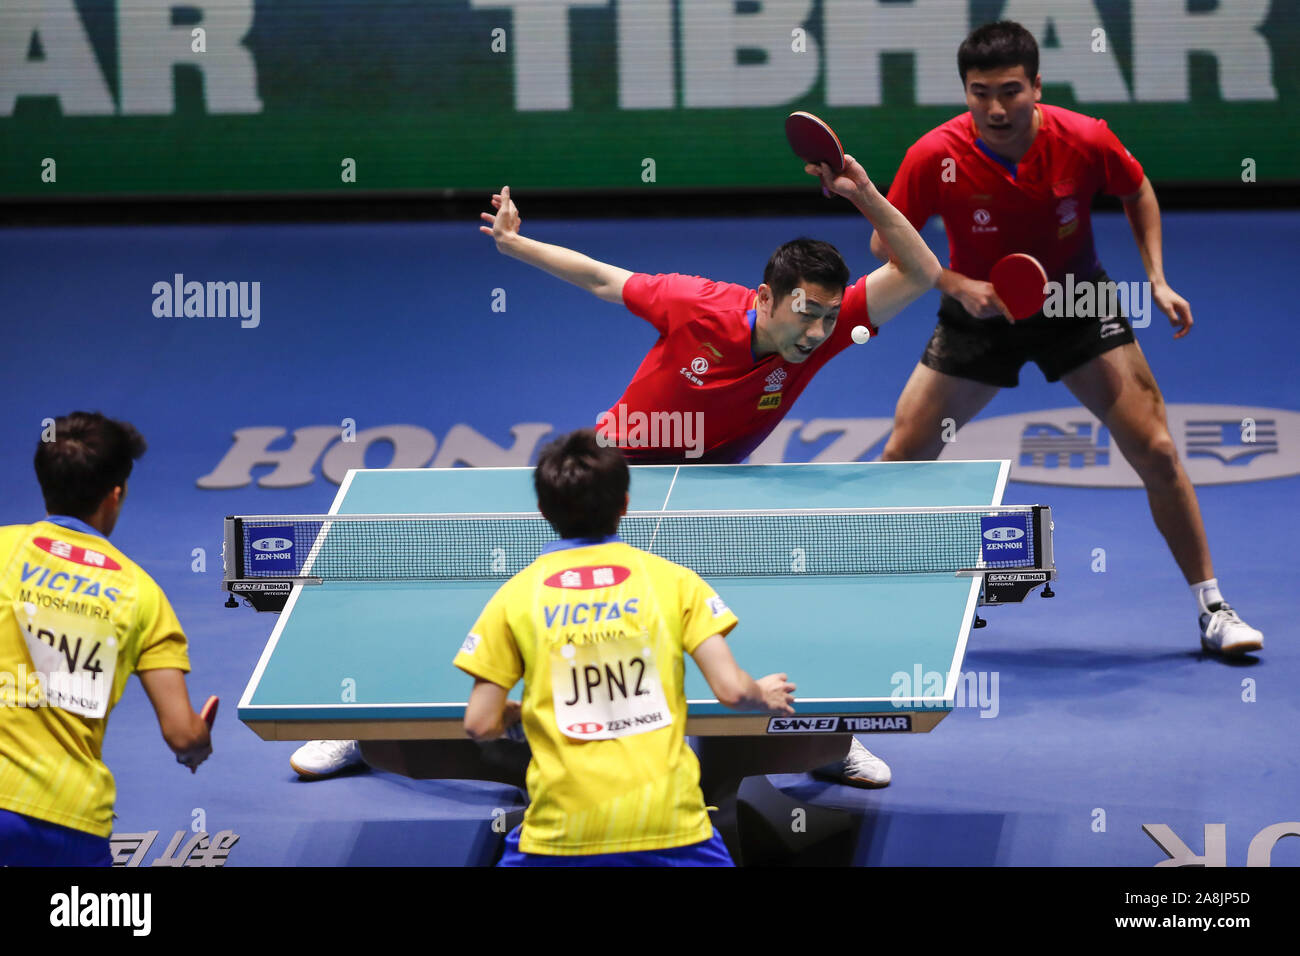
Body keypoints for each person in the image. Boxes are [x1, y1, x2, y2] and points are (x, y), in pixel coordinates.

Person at [289, 145, 942, 787]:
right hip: (614, 471)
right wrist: (518, 246)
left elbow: (919, 272)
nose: (818, 332)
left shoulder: (822, 332)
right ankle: (357, 719)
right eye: (807, 314)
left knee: (756, 608)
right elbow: (604, 278)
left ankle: (822, 741)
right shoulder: (696, 304)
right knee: (503, 596)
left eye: (830, 317)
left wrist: (864, 195)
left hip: (714, 484)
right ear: (766, 300)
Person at [871, 20, 1263, 656]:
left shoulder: (1083, 139)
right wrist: (955, 282)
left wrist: (1156, 279)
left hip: (1076, 304)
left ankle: (1214, 608)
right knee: (901, 456)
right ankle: (879, 600)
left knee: (1157, 450)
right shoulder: (932, 155)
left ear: (1036, 87)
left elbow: (1136, 188)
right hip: (979, 314)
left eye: (1010, 91)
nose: (995, 108)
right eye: (979, 92)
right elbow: (886, 245)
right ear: (964, 91)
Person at [452, 428, 793, 865]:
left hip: (562, 834)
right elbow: (732, 690)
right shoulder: (672, 582)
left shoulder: (515, 597)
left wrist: (514, 712)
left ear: (543, 510)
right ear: (625, 505)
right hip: (670, 828)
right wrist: (761, 692)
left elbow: (479, 724)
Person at [0, 412, 212, 866]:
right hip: (66, 818)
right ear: (115, 495)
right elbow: (181, 733)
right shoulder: (142, 594)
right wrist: (198, 743)